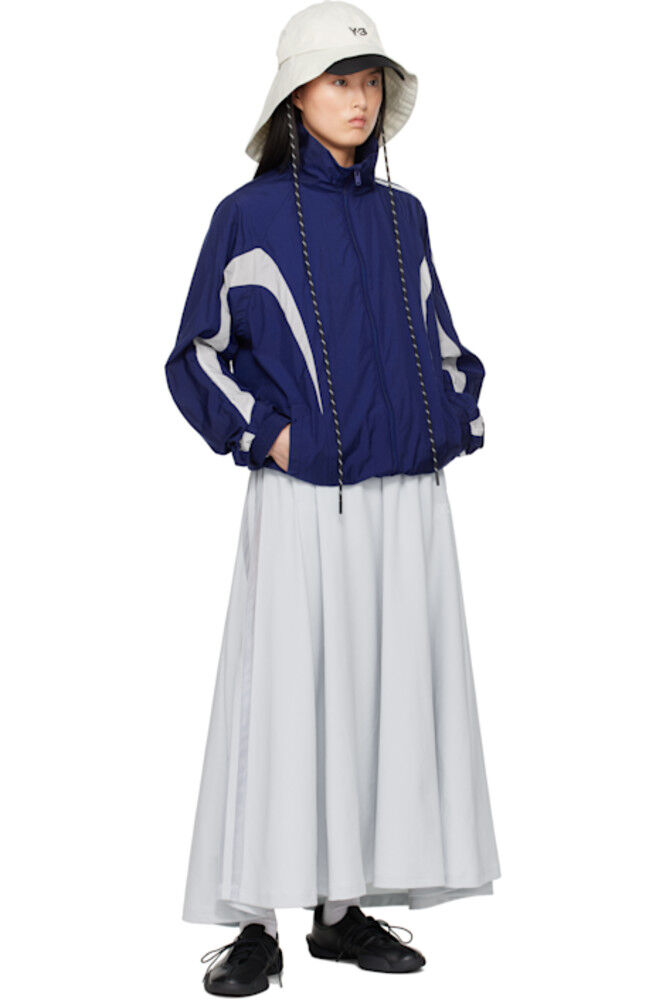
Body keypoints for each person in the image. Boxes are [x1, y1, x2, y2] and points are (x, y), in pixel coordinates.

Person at [164, 1, 501, 994]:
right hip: (307, 496)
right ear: (295, 97)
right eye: (339, 81)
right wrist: (273, 435)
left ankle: (341, 913)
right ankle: (253, 924)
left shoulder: (405, 217)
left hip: (407, 500)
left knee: (378, 702)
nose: (359, 99)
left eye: (370, 82)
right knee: (282, 699)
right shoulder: (250, 214)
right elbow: (196, 354)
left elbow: (444, 342)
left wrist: (452, 418)